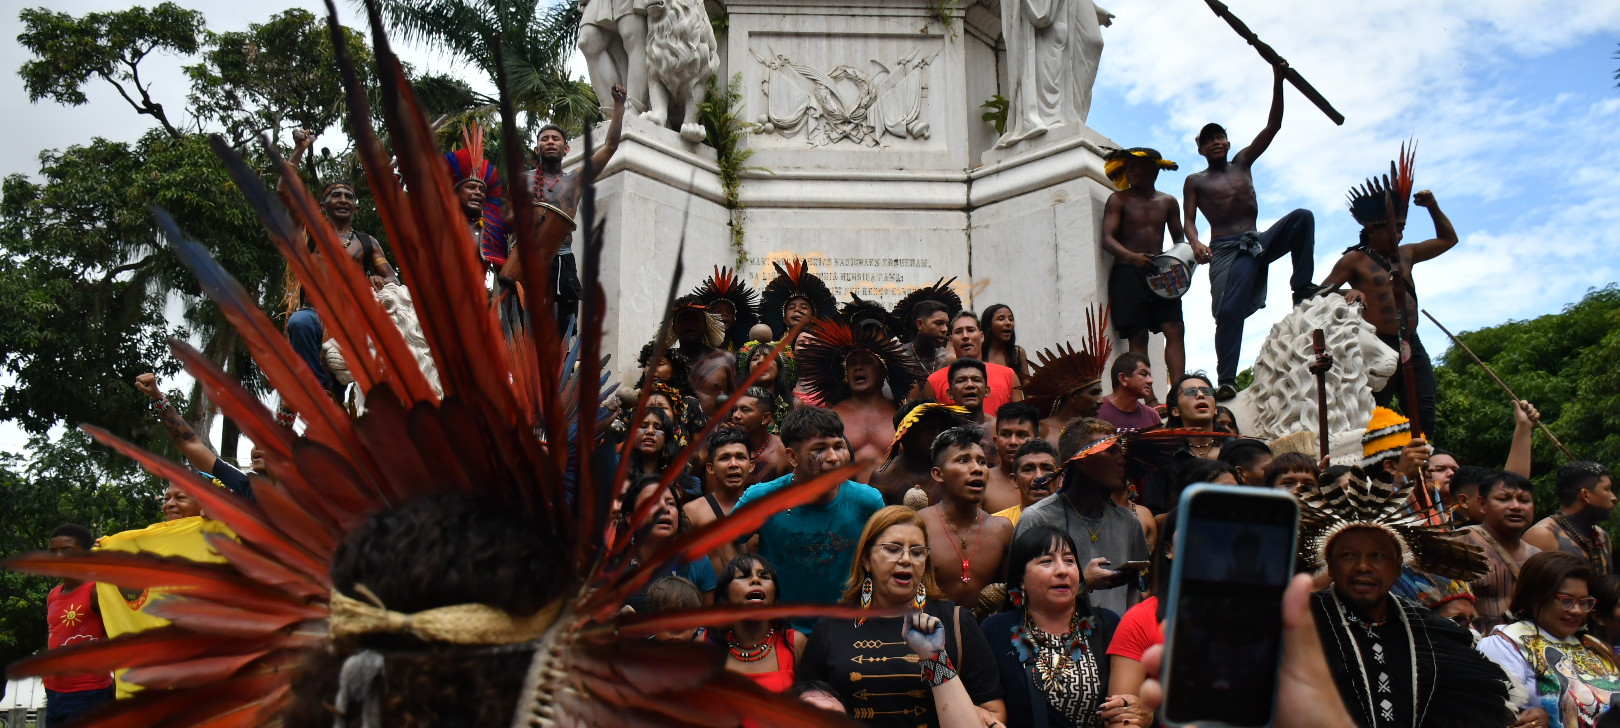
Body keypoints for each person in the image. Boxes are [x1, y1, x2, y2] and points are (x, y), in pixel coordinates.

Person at [1296, 467, 1517, 728]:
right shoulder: (1295, 622)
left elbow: (1487, 697)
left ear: (1398, 567)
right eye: (1348, 555)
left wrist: (1527, 717)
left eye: (1377, 556)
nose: (1363, 567)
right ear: (1330, 566)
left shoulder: (1430, 629)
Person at [797, 506, 1008, 727]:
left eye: (917, 552)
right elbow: (805, 706)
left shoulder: (954, 621)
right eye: (893, 549)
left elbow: (994, 712)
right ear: (866, 559)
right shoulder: (832, 625)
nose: (906, 559)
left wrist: (942, 673)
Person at [1182, 61, 1316, 401]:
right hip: (1227, 250)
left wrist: (1278, 79)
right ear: (1200, 149)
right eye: (1208, 140)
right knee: (1228, 312)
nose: (1215, 142)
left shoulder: (1242, 162)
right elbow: (1189, 220)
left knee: (1302, 218)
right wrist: (1195, 242)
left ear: (1228, 142)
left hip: (1257, 242)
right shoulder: (1195, 180)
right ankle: (1226, 378)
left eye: (1219, 137)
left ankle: (1301, 287)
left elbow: (1274, 125)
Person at [1316, 147, 1457, 438]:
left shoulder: (1408, 253)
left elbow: (1448, 240)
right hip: (1377, 343)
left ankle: (1425, 454)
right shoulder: (1354, 260)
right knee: (1375, 406)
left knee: (1423, 403)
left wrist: (1432, 206)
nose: (1399, 235)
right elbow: (1317, 294)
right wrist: (1349, 291)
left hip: (1411, 340)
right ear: (1372, 230)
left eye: (1402, 229)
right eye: (1393, 229)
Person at [734, 407, 885, 632]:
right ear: (792, 457)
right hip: (780, 632)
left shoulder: (867, 501)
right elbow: (726, 541)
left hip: (847, 631)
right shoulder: (762, 498)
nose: (834, 458)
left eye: (839, 446)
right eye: (819, 449)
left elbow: (886, 557)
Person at [983, 525, 1149, 728]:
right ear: (1021, 579)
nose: (1062, 570)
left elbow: (1129, 706)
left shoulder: (1107, 624)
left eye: (1069, 561)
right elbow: (986, 706)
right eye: (1046, 561)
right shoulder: (996, 630)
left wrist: (1140, 711)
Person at [1014, 419, 1150, 616]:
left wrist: (1126, 629)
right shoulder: (1037, 519)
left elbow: (1136, 589)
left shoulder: (1129, 522)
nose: (1121, 460)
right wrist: (1083, 583)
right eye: (1111, 451)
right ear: (1083, 460)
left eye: (1120, 451)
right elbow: (1019, 596)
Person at [524, 85, 627, 330]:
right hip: (528, 259)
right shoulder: (522, 181)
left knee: (564, 329)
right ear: (537, 149)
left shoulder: (575, 180)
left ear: (566, 148)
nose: (550, 142)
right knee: (524, 328)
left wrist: (619, 106)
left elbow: (610, 146)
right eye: (544, 139)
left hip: (563, 261)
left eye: (555, 139)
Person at [1479, 551, 1620, 728]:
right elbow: (1490, 714)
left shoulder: (1593, 646)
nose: (1577, 611)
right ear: (1534, 597)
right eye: (1566, 600)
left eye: (1584, 602)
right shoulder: (1505, 644)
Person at [796, 320, 928, 483]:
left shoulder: (902, 414)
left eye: (866, 361)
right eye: (852, 364)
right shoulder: (832, 416)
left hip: (895, 497)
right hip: (847, 496)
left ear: (883, 371)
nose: (858, 367)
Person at [1101, 147, 1187, 395]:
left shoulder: (1168, 202)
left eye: (1135, 166)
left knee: (1175, 329)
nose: (1129, 171)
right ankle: (1148, 399)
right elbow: (1107, 239)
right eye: (1127, 166)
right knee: (1138, 336)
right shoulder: (1118, 199)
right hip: (1127, 272)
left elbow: (1179, 241)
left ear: (1153, 169)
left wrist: (1178, 267)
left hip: (1160, 272)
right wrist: (1132, 257)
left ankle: (1178, 392)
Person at [918, 427, 1015, 607]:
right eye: (963, 460)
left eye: (982, 462)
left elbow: (1010, 600)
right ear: (938, 474)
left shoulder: (1002, 530)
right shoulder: (919, 526)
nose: (977, 469)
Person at [133, 372, 259, 502]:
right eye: (256, 443)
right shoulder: (246, 488)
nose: (258, 448)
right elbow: (190, 444)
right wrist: (157, 397)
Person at [40, 524, 115, 725]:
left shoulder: (96, 591)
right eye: (53, 552)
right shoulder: (53, 595)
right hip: (54, 692)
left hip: (89, 694)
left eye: (67, 551)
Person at [1463, 471, 1543, 635]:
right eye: (1503, 499)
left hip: (1526, 645)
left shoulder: (1537, 556)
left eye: (1524, 500)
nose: (1516, 506)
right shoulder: (1461, 542)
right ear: (1482, 504)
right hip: (1473, 644)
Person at [714, 554, 808, 692]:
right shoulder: (705, 643)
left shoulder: (795, 643)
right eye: (743, 576)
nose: (755, 580)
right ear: (725, 595)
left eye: (764, 577)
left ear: (774, 595)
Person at [623, 475, 717, 611]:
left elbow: (708, 619)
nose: (664, 508)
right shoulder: (614, 567)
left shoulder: (696, 561)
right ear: (631, 519)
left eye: (671, 503)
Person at [1138, 372, 1224, 514]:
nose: (1200, 395)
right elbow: (1153, 516)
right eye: (1190, 392)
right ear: (1175, 411)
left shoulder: (1236, 450)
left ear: (1215, 409)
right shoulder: (1161, 458)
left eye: (1207, 391)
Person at [1024, 308, 1112, 444]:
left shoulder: (1098, 432)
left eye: (1100, 393)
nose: (1101, 400)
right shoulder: (1041, 431)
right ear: (1073, 396)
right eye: (1094, 393)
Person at [872, 401, 974, 506]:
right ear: (906, 436)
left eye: (940, 428)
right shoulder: (884, 477)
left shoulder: (955, 473)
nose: (937, 434)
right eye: (928, 428)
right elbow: (878, 516)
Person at [684, 428, 757, 573]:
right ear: (710, 468)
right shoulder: (693, 512)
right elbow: (675, 565)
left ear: (751, 466)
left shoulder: (764, 510)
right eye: (724, 458)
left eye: (741, 457)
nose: (733, 464)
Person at [1525, 462, 1615, 577]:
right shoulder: (1543, 536)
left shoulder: (1602, 536)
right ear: (1585, 495)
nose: (1614, 498)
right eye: (1607, 489)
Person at [927, 313, 1023, 416]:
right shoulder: (934, 382)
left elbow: (1020, 419)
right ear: (951, 341)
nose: (965, 336)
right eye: (958, 332)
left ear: (981, 336)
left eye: (971, 330)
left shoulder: (1008, 375)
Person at [672, 297, 735, 417]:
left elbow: (741, 399)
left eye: (695, 320)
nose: (689, 324)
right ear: (674, 327)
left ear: (705, 325)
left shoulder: (726, 359)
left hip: (717, 427)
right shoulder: (664, 362)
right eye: (683, 320)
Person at [626, 407, 699, 499]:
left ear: (666, 440)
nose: (650, 431)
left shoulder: (688, 483)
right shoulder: (615, 470)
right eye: (643, 426)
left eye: (658, 428)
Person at [759, 258, 838, 342]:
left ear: (813, 317)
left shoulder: (826, 348)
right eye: (791, 307)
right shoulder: (770, 349)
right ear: (784, 318)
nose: (797, 309)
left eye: (804, 307)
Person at [895, 280, 963, 374]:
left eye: (947, 324)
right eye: (938, 323)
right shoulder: (898, 357)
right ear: (920, 324)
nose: (945, 329)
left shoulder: (950, 360)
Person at [986, 402, 1041, 513]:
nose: (1013, 442)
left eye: (1021, 435)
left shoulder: (1050, 482)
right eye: (1006, 434)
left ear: (1037, 442)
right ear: (996, 441)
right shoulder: (983, 482)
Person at [690, 265, 762, 350]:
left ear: (735, 319)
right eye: (717, 311)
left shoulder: (745, 350)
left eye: (729, 311)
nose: (724, 314)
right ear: (707, 318)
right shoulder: (695, 348)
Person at [993, 439, 1060, 526]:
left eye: (1047, 469)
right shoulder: (997, 525)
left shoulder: (1074, 521)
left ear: (1061, 478)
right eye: (1028, 470)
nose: (1039, 477)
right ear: (1015, 480)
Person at [730, 387, 790, 484]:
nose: (736, 415)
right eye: (735, 409)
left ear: (765, 418)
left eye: (745, 410)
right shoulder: (725, 446)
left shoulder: (783, 450)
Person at [735, 340, 796, 429]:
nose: (761, 361)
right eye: (755, 359)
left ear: (779, 368)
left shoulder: (794, 404)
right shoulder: (734, 404)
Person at [1096, 353, 1162, 431]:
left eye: (1149, 375)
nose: (1150, 380)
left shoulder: (1152, 417)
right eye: (1143, 374)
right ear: (1123, 379)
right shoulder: (1096, 411)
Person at [934, 357, 997, 427]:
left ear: (986, 391)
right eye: (961, 381)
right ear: (950, 393)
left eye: (976, 380)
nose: (970, 385)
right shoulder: (940, 429)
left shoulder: (997, 426)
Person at [980, 304, 1031, 385]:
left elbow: (1028, 387)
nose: (1008, 323)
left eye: (1011, 319)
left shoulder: (1018, 354)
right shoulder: (979, 353)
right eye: (1001, 319)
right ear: (989, 325)